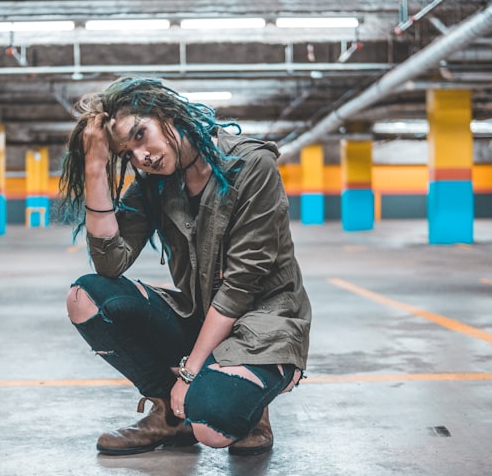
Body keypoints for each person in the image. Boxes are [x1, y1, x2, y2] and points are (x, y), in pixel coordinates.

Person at [58, 76, 312, 456]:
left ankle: (254, 407)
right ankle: (169, 415)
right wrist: (96, 168)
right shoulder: (154, 183)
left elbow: (240, 288)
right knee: (85, 298)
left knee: (211, 427)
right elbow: (110, 262)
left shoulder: (252, 165)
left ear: (167, 114)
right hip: (202, 318)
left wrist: (190, 373)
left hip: (262, 327)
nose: (142, 157)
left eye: (141, 135)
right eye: (126, 154)